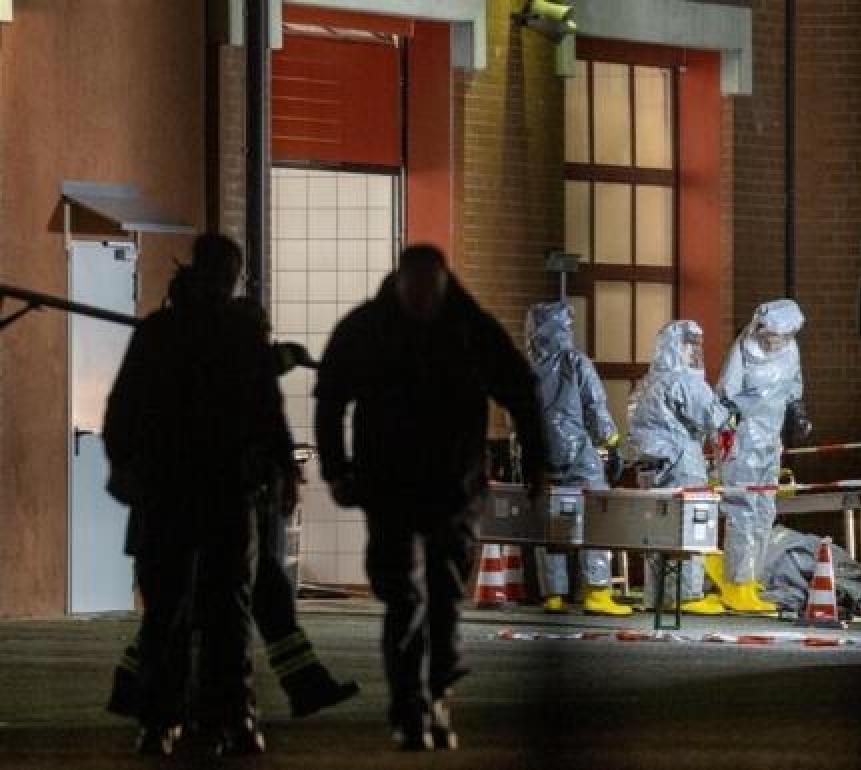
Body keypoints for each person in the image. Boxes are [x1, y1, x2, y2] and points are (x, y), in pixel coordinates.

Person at [315, 244, 546, 752]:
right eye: (415, 292)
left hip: (448, 486)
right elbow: (330, 400)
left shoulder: (458, 328)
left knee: (441, 596)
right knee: (405, 596)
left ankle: (433, 691)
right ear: (400, 283)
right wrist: (337, 470)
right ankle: (413, 705)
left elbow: (521, 392)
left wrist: (536, 459)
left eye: (429, 293)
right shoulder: (383, 328)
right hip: (398, 485)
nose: (422, 302)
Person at [106, 314, 359, 725]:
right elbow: (240, 388)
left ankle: (303, 685)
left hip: (223, 513)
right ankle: (163, 695)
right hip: (216, 514)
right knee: (190, 609)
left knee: (191, 609)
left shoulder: (191, 361)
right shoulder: (217, 372)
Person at [102, 234, 285, 756]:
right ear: (233, 277)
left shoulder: (159, 332)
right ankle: (231, 715)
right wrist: (278, 469)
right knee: (228, 609)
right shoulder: (241, 335)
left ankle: (160, 720)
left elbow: (123, 406)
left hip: (165, 489)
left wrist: (124, 463)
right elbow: (266, 409)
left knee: (165, 610)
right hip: (225, 489)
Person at [525, 301, 631, 617]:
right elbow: (595, 407)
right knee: (593, 517)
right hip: (578, 454)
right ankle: (597, 591)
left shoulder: (527, 367)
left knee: (553, 524)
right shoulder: (575, 362)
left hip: (542, 456)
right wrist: (611, 442)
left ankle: (554, 595)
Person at [711, 299, 812, 614]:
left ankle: (752, 577)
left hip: (770, 439)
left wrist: (798, 412)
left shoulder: (790, 351)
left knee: (765, 509)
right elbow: (726, 395)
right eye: (770, 336)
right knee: (743, 509)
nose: (775, 342)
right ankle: (736, 583)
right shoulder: (744, 350)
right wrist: (727, 434)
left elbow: (792, 387)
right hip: (743, 439)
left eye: (780, 337)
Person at [626, 320, 731, 615]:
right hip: (682, 463)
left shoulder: (647, 383)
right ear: (678, 346)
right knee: (690, 529)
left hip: (651, 467)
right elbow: (711, 417)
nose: (694, 351)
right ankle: (686, 595)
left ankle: (656, 595)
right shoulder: (684, 381)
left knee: (655, 532)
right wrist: (730, 412)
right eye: (690, 345)